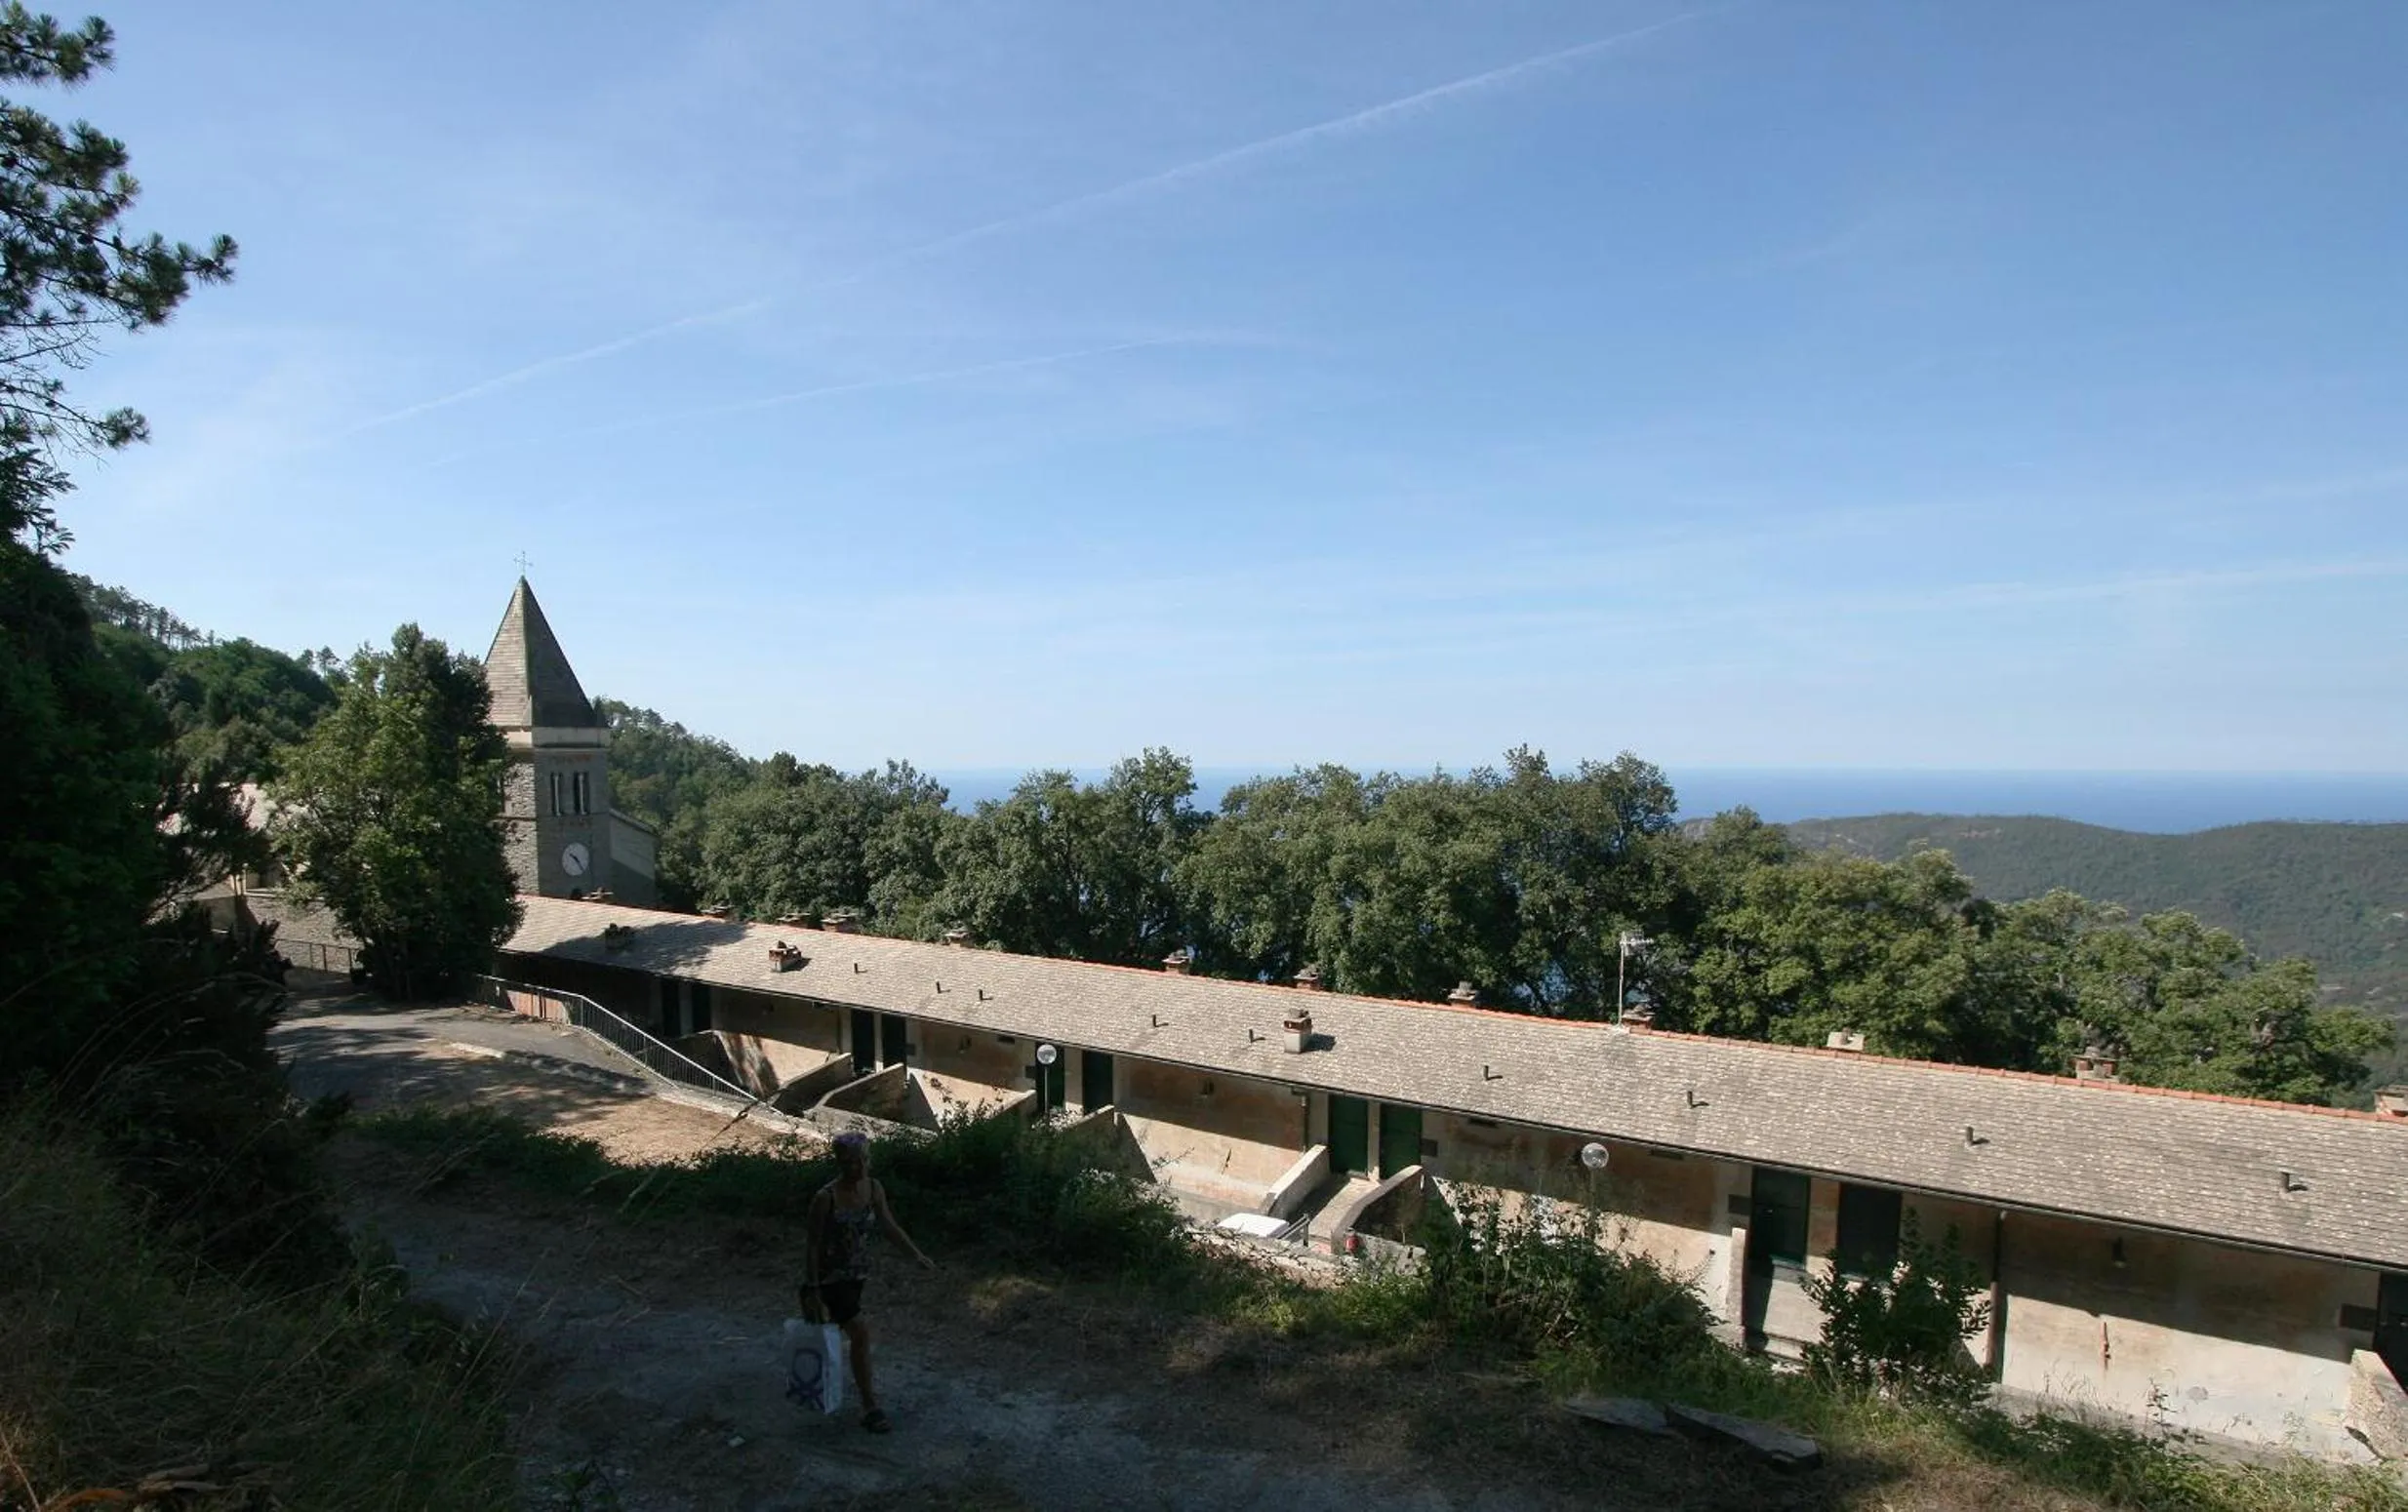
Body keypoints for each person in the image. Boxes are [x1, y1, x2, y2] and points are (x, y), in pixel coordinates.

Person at [799, 1130, 933, 1433]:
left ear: (867, 1160)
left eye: (859, 1162)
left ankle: (825, 1387)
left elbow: (888, 1224)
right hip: (830, 1279)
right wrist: (813, 1288)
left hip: (856, 1275)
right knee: (860, 1333)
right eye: (847, 1163)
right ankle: (870, 1406)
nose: (854, 1169)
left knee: (839, 1336)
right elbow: (812, 1244)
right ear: (838, 1162)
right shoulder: (825, 1198)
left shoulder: (873, 1189)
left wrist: (916, 1255)